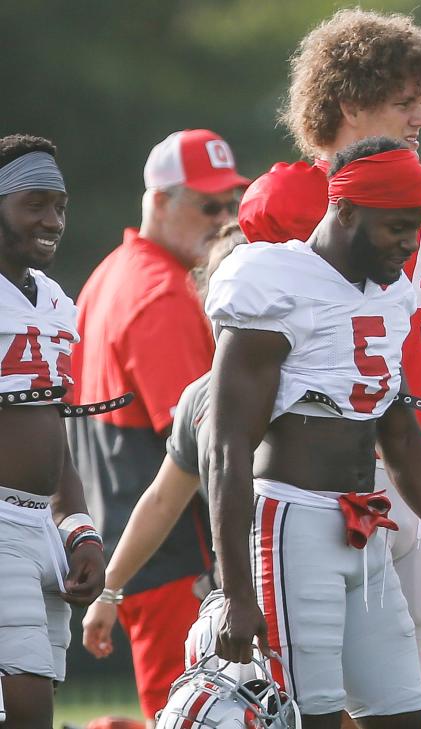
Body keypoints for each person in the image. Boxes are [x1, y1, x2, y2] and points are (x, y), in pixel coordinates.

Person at [207, 137, 421, 729]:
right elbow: (227, 449)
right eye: (396, 227)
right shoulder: (274, 278)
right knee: (309, 719)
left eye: (417, 227)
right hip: (292, 526)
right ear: (344, 210)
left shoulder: (391, 293)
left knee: (403, 715)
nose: (410, 243)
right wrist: (237, 592)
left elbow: (399, 438)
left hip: (365, 525)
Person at [237, 8, 421, 689]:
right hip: (313, 469)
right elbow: (249, 368)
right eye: (405, 103)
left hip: (410, 461)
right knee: (315, 679)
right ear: (348, 102)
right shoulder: (283, 198)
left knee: (405, 673)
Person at [68, 129, 249, 726]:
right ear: (160, 200)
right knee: (203, 716)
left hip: (134, 542)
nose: (225, 219)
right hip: (177, 554)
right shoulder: (163, 294)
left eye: (232, 204)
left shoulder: (109, 275)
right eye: (209, 204)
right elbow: (205, 446)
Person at [80, 224, 245, 661]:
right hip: (229, 590)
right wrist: (109, 592)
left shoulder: (318, 385)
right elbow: (163, 499)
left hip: (314, 584)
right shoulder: (202, 397)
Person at [0, 134, 105, 727]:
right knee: (27, 704)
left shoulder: (56, 299)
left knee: (34, 698)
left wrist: (78, 526)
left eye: (60, 205)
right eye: (34, 204)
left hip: (41, 522)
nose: (53, 220)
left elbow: (52, 425)